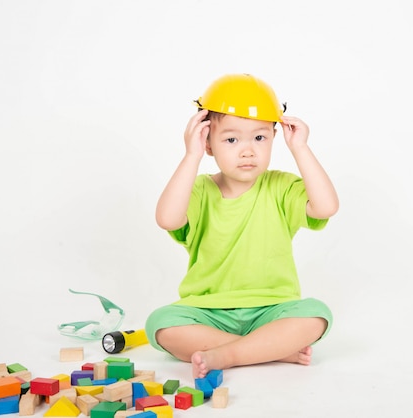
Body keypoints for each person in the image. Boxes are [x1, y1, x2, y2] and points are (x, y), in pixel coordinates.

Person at [145, 73, 339, 379]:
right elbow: (167, 219)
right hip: (208, 312)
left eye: (259, 138)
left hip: (272, 309)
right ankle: (272, 350)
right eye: (231, 139)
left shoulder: (281, 187)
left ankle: (231, 353)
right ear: (208, 144)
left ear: (275, 138)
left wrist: (300, 148)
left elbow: (326, 206)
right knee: (161, 324)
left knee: (316, 315)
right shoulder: (197, 190)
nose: (247, 150)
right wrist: (190, 155)